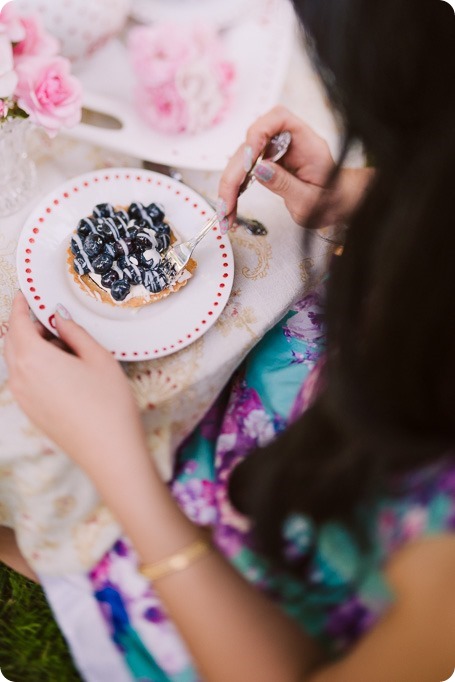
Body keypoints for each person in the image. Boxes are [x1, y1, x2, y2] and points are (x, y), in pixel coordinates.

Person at [3, 0, 455, 680]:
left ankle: (71, 562)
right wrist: (352, 197)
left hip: (246, 599)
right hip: (303, 405)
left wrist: (112, 457)